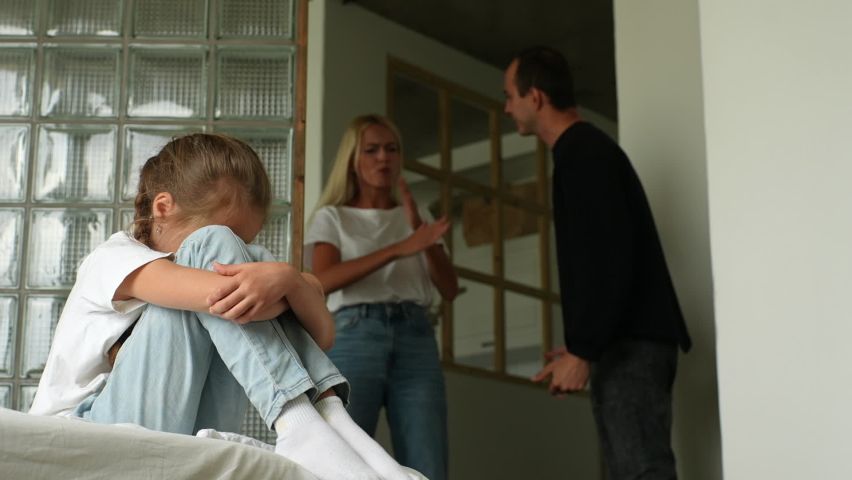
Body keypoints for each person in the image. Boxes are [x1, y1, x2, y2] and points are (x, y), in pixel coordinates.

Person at [29, 133, 418, 480]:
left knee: (255, 265)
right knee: (233, 267)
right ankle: (301, 423)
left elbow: (323, 335)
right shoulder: (112, 258)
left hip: (172, 429)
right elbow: (230, 297)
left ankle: (331, 421)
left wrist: (287, 279)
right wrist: (296, 282)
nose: (230, 252)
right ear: (163, 208)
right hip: (89, 438)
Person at [504, 47, 692, 479]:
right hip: (628, 342)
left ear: (535, 97)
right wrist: (583, 342)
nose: (507, 107)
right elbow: (606, 253)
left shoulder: (583, 155)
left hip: (631, 347)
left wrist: (584, 348)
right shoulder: (585, 152)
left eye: (510, 96)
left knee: (642, 471)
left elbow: (608, 257)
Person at [305, 114, 459, 480]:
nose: (383, 158)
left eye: (391, 149)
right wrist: (397, 249)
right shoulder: (332, 217)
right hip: (354, 333)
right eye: (371, 150)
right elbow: (323, 280)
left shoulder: (416, 214)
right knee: (345, 461)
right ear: (352, 160)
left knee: (427, 458)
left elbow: (450, 288)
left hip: (416, 335)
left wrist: (420, 235)